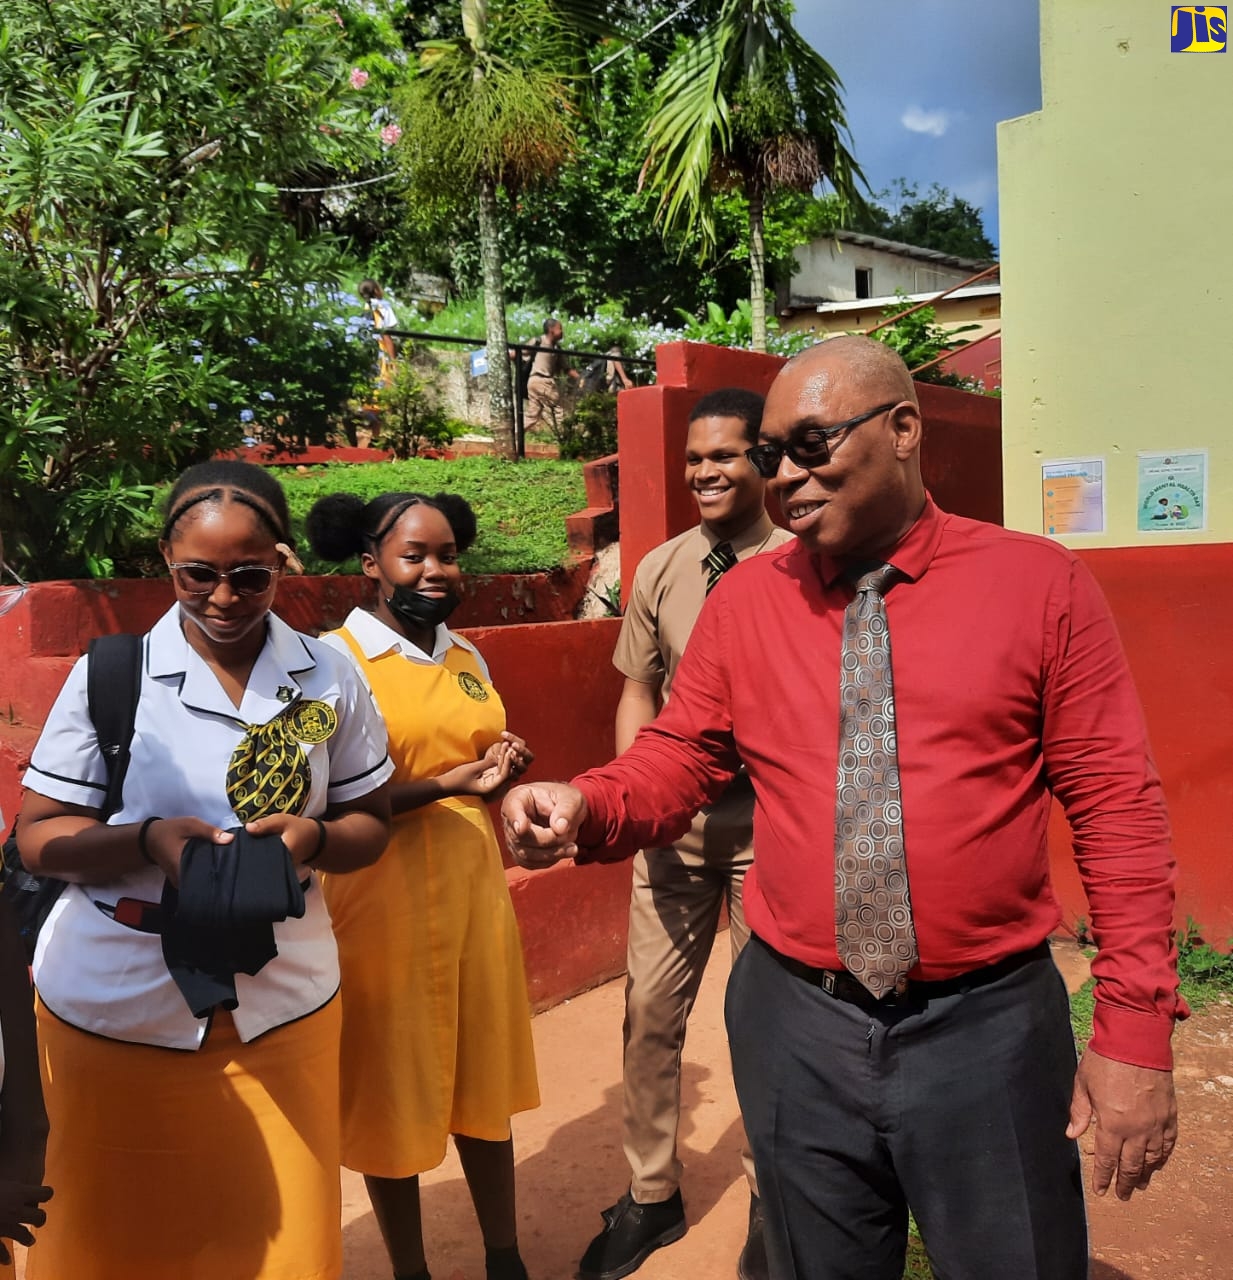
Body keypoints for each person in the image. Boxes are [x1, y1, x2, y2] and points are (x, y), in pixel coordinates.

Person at [500, 336, 1184, 1280]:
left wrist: (1134, 1036)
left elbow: (1117, 813)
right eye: (771, 455)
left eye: (811, 443)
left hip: (984, 1029)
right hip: (796, 1025)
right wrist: (585, 803)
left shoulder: (1036, 585)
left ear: (903, 429)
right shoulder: (747, 604)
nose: (785, 478)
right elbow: (680, 754)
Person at [16, 460, 394, 1280]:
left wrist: (312, 840)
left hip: (281, 1005)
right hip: (114, 1010)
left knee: (285, 1248)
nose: (224, 597)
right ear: (167, 561)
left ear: (283, 563)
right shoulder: (113, 676)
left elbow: (371, 823)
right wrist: (148, 840)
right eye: (199, 574)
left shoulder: (330, 676)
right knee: (104, 1244)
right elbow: (39, 836)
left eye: (250, 575)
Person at [580, 389, 792, 1280]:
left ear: (766, 460)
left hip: (771, 833)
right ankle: (651, 1194)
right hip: (676, 830)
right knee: (647, 1016)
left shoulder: (799, 562)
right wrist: (637, 792)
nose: (705, 472)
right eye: (694, 458)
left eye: (725, 456)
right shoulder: (661, 567)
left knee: (767, 1025)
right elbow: (639, 686)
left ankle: (772, 1204)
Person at [306, 489, 540, 1280]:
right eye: (416, 555)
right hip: (378, 899)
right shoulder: (329, 662)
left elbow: (471, 765)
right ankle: (412, 1271)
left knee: (483, 1080)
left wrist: (501, 769)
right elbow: (322, 798)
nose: (436, 570)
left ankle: (503, 1257)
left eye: (446, 554)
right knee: (388, 1093)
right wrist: (443, 785)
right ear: (371, 564)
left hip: (473, 891)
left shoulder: (465, 656)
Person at [523, 318, 578, 433]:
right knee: (558, 411)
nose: (562, 331)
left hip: (535, 382)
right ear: (551, 330)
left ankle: (514, 435)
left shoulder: (557, 348)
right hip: (542, 380)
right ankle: (565, 438)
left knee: (533, 415)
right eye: (560, 329)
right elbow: (519, 352)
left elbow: (566, 368)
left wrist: (581, 378)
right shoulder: (538, 342)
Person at [360, 277, 400, 390]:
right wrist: (394, 361)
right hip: (383, 350)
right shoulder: (383, 306)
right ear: (376, 291)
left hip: (370, 351)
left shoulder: (367, 306)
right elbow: (386, 334)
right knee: (385, 381)